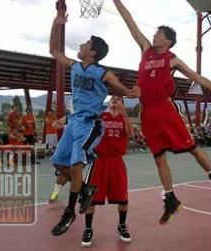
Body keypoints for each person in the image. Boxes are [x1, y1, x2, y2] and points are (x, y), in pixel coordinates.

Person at [113, 0, 211, 225]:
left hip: (165, 110)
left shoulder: (172, 59)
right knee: (159, 159)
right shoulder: (145, 49)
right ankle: (171, 199)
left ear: (168, 40)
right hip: (148, 113)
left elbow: (199, 78)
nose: (154, 36)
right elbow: (129, 21)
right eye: (155, 33)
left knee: (193, 148)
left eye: (158, 34)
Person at [48, 12, 140, 236]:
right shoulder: (76, 66)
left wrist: (131, 91)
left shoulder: (103, 73)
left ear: (93, 52)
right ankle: (86, 188)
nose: (81, 44)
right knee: (59, 164)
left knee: (76, 166)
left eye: (86, 43)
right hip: (75, 122)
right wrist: (56, 23)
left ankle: (69, 212)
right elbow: (54, 51)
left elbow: (121, 87)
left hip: (91, 124)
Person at [82, 96, 133, 247]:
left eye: (118, 100)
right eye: (112, 99)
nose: (115, 101)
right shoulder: (101, 116)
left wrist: (123, 114)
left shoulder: (124, 119)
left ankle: (122, 225)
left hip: (116, 161)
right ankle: (88, 229)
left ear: (123, 104)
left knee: (123, 199)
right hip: (99, 161)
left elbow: (130, 134)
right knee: (91, 199)